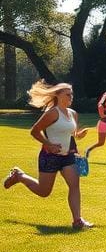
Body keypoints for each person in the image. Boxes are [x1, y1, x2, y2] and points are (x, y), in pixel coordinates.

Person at [4, 80, 93, 229]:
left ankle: (77, 220)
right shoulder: (52, 113)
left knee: (75, 185)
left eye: (72, 94)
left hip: (67, 157)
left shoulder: (73, 114)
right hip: (49, 157)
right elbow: (34, 131)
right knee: (44, 191)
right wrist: (48, 144)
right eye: (68, 94)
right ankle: (19, 176)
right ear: (58, 96)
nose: (71, 97)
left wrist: (79, 134)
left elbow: (71, 133)